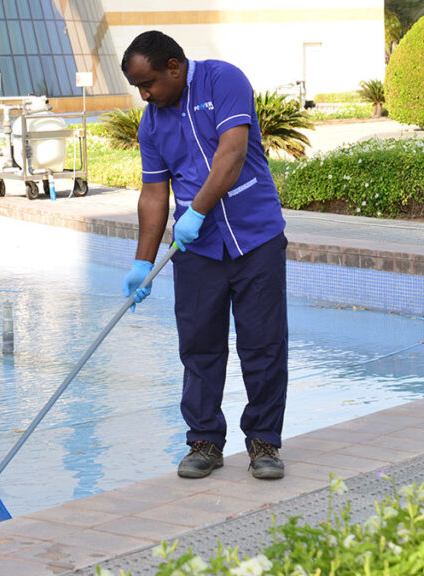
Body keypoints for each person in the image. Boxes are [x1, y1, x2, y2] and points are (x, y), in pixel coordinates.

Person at [120, 31, 288, 480]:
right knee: (198, 348)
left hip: (255, 239)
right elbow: (154, 194)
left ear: (174, 67)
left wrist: (194, 211)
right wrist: (143, 263)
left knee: (263, 345)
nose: (145, 94)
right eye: (138, 87)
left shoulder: (223, 81)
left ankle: (264, 443)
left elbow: (230, 156)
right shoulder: (152, 123)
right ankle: (205, 441)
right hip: (196, 252)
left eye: (149, 82)